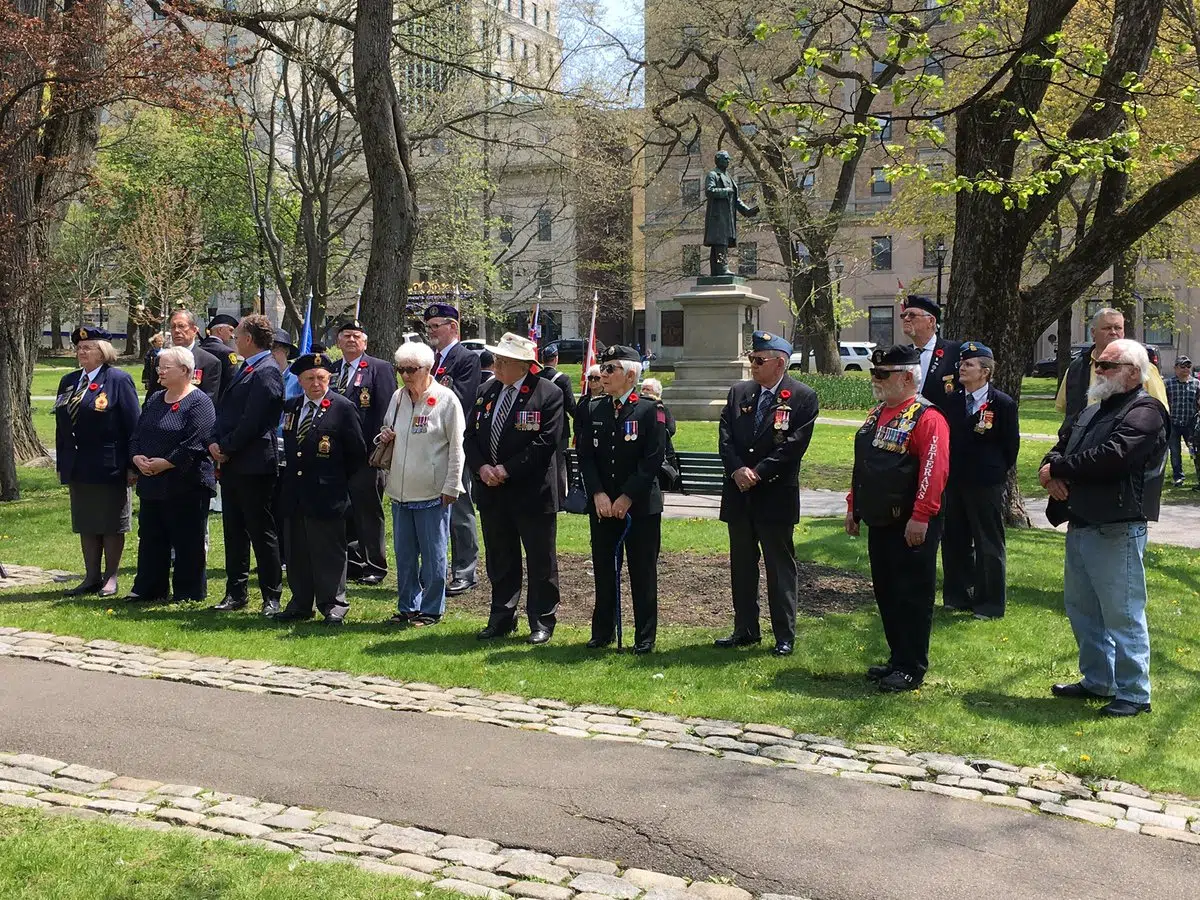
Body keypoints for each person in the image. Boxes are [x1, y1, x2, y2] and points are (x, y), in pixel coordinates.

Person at [1041, 339, 1168, 717]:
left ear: (1132, 372)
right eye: (1098, 363)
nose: (1098, 369)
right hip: (1081, 521)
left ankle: (1134, 693)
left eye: (1108, 365)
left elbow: (1113, 457)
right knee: (1082, 610)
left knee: (1123, 614)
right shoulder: (1092, 411)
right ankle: (1099, 680)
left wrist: (1060, 470)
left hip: (1116, 527)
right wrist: (1051, 472)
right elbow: (1060, 447)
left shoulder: (1146, 411)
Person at [845, 345, 950, 692]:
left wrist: (921, 516)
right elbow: (865, 466)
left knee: (912, 595)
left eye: (882, 374)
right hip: (880, 519)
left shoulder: (928, 417)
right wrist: (853, 506)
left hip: (911, 523)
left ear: (907, 377)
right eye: (874, 373)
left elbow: (933, 472)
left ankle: (911, 666)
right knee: (887, 592)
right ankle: (897, 657)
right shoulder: (877, 414)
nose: (875, 380)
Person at [716, 332, 819, 656]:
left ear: (779, 362)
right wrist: (736, 470)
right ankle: (745, 629)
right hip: (739, 495)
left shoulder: (802, 397)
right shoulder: (739, 393)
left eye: (759, 361)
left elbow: (793, 447)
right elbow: (726, 437)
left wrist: (757, 473)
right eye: (751, 359)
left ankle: (784, 635)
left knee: (779, 569)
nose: (753, 366)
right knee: (742, 566)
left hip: (774, 496)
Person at [466, 334, 564, 644]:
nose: (495, 365)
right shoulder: (486, 391)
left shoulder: (547, 393)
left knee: (540, 560)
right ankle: (501, 617)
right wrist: (482, 468)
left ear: (523, 365)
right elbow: (470, 436)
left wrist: (507, 469)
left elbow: (545, 441)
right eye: (495, 359)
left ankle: (542, 620)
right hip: (492, 491)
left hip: (531, 492)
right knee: (500, 558)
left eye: (502, 361)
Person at [575, 345, 666, 654]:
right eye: (603, 366)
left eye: (611, 368)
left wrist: (627, 496)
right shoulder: (593, 408)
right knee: (603, 569)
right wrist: (598, 493)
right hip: (603, 506)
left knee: (642, 572)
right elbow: (585, 457)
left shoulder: (650, 411)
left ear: (630, 374)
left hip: (639, 507)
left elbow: (652, 460)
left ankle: (644, 636)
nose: (603, 373)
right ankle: (603, 632)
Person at [377, 341, 465, 627]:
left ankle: (432, 609)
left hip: (432, 490)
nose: (405, 375)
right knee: (404, 556)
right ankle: (407, 606)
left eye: (411, 369)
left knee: (433, 555)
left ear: (427, 369)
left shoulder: (446, 399)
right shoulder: (398, 397)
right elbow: (386, 429)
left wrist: (452, 485)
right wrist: (385, 435)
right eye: (401, 369)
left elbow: (456, 447)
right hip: (400, 490)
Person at [275, 353, 368, 625]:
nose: (316, 383)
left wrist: (337, 482)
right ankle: (301, 602)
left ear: (329, 379)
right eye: (309, 379)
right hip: (295, 492)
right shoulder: (292, 407)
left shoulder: (342, 407)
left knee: (329, 552)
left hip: (328, 493)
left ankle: (333, 603)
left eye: (321, 378)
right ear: (300, 381)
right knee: (298, 551)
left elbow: (357, 453)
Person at [54, 326, 140, 598]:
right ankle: (91, 576)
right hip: (78, 464)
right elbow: (61, 425)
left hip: (108, 465)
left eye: (88, 347)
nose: (81, 352)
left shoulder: (118, 380)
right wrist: (62, 460)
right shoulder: (69, 381)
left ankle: (110, 576)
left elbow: (133, 426)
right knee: (87, 522)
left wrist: (131, 465)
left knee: (111, 522)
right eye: (79, 348)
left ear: (103, 352)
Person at [126, 346, 217, 604]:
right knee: (152, 536)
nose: (159, 372)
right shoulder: (155, 399)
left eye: (165, 367)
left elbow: (196, 441)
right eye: (158, 367)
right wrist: (136, 457)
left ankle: (188, 592)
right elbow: (138, 433)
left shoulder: (200, 402)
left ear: (185, 371)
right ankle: (149, 587)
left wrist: (166, 463)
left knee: (187, 539)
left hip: (186, 482)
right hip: (152, 481)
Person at [209, 314, 285, 617]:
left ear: (249, 339)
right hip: (232, 463)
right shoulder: (245, 368)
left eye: (238, 335)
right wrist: (215, 441)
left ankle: (271, 595)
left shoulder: (267, 371)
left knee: (260, 530)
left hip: (254, 463)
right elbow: (225, 412)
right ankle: (236, 592)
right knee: (234, 530)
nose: (234, 340)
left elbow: (254, 420)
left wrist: (226, 447)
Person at [941, 342, 1019, 619]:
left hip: (985, 483)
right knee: (954, 539)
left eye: (969, 364)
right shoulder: (950, 401)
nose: (962, 368)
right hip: (954, 481)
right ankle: (957, 596)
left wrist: (994, 471)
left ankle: (989, 603)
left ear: (985, 372)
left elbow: (1011, 447)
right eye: (961, 363)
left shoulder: (1002, 403)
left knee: (988, 542)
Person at [330, 318, 397, 586]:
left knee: (368, 513)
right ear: (338, 341)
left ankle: (375, 565)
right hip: (335, 456)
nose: (351, 340)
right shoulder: (332, 370)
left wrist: (378, 449)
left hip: (367, 455)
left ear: (365, 341)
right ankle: (352, 563)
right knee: (343, 512)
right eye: (346, 335)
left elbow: (385, 412)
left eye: (356, 336)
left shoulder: (379, 369)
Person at [423, 302, 481, 596]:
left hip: (456, 443)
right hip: (429, 443)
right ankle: (435, 568)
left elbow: (461, 400)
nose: (431, 332)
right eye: (429, 327)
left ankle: (465, 571)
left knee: (459, 507)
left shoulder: (466, 359)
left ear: (453, 327)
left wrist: (430, 386)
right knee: (431, 510)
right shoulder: (427, 359)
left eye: (437, 326)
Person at [1055, 308, 1168, 419]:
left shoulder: (1142, 368)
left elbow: (1160, 411)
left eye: (1118, 328)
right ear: (1093, 332)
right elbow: (1064, 407)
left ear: (1123, 332)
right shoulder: (1076, 368)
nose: (1113, 332)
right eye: (1107, 328)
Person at [900, 294, 961, 418]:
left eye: (912, 315)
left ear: (931, 321)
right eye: (903, 315)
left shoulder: (954, 352)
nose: (906, 318)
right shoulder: (901, 355)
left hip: (942, 424)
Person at [146, 309, 222, 405]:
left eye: (181, 326)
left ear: (194, 330)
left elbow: (208, 402)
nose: (177, 331)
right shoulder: (161, 359)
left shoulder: (209, 362)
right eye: (173, 327)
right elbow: (151, 395)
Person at [703, 150, 759, 276]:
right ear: (718, 160)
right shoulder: (713, 175)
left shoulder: (729, 177)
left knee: (720, 243)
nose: (728, 161)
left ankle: (716, 272)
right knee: (720, 241)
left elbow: (736, 199)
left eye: (728, 159)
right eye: (726, 158)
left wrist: (747, 211)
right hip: (717, 216)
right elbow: (709, 191)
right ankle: (722, 268)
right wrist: (724, 191)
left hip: (728, 216)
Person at [538, 344, 577, 508]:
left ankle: (543, 496)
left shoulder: (537, 378)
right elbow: (570, 405)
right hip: (560, 428)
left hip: (539, 427)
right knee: (560, 465)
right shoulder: (563, 379)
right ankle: (560, 500)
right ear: (556, 359)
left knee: (541, 464)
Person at [639, 378, 681, 492]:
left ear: (657, 393)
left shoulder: (661, 408)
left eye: (648, 389)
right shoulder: (638, 407)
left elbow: (671, 429)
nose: (644, 392)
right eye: (643, 389)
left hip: (661, 455)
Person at [1162, 356, 1198, 487]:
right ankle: (1178, 477)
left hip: (1191, 424)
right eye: (1182, 366)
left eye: (1188, 366)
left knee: (1195, 451)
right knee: (1175, 452)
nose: (1186, 369)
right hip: (1173, 424)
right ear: (1175, 368)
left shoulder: (1196, 384)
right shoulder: (1167, 384)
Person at [200, 313, 240, 398]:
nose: (232, 335)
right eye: (231, 330)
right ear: (220, 330)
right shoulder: (227, 352)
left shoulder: (199, 349)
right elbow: (234, 380)